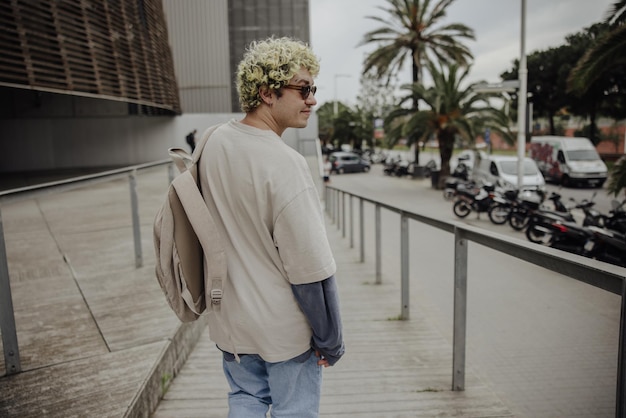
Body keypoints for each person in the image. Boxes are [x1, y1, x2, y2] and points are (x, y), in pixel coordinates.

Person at [197, 37, 344, 417]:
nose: (312, 99)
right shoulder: (286, 163)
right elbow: (310, 270)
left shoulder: (211, 144)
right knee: (294, 410)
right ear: (266, 92)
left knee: (245, 402)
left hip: (231, 323)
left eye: (313, 89)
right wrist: (331, 340)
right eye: (303, 89)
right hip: (284, 331)